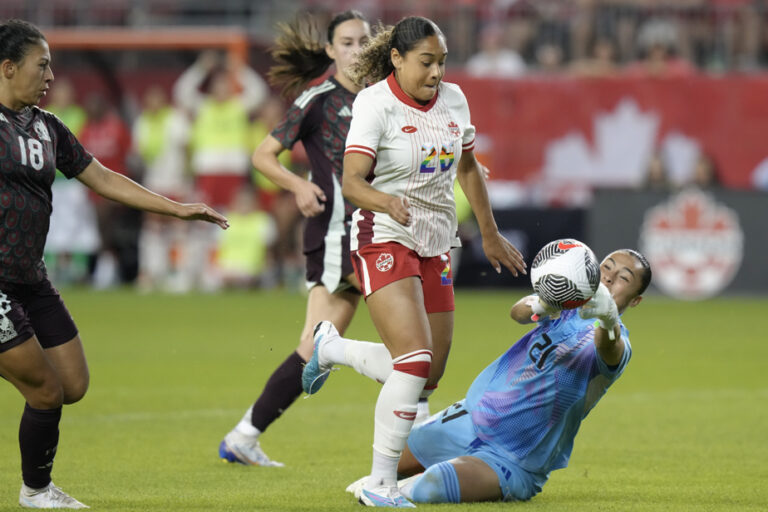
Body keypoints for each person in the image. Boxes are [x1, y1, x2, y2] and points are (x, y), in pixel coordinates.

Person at [0, 20, 228, 509]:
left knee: (72, 384)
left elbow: (102, 177)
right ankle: (36, 492)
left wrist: (176, 207)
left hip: (30, 278)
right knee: (44, 390)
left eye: (52, 66)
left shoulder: (47, 126)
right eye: (41, 66)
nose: (50, 76)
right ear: (7, 67)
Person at [302, 16, 526, 508]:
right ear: (398, 59)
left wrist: (489, 233)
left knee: (427, 374)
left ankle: (333, 349)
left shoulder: (454, 100)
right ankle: (379, 485)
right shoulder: (374, 103)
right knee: (414, 358)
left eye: (442, 62)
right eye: (426, 62)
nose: (436, 73)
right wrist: (386, 203)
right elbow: (354, 181)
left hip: (436, 241)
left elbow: (467, 166)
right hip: (383, 235)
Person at [347, 248, 652, 504]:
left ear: (636, 300)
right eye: (607, 267)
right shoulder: (565, 302)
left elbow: (609, 349)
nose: (610, 276)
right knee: (391, 460)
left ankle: (392, 492)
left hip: (514, 459)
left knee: (433, 485)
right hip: (471, 418)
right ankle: (385, 482)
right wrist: (542, 302)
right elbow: (518, 313)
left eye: (624, 277)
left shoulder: (616, 341)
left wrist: (608, 319)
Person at [217, 10, 372, 467]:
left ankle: (244, 435)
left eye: (364, 41)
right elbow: (264, 155)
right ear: (329, 50)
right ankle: (421, 426)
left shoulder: (382, 98)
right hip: (337, 235)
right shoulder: (319, 99)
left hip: (371, 233)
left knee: (315, 349)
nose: (357, 50)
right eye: (347, 42)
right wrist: (299, 185)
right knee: (406, 316)